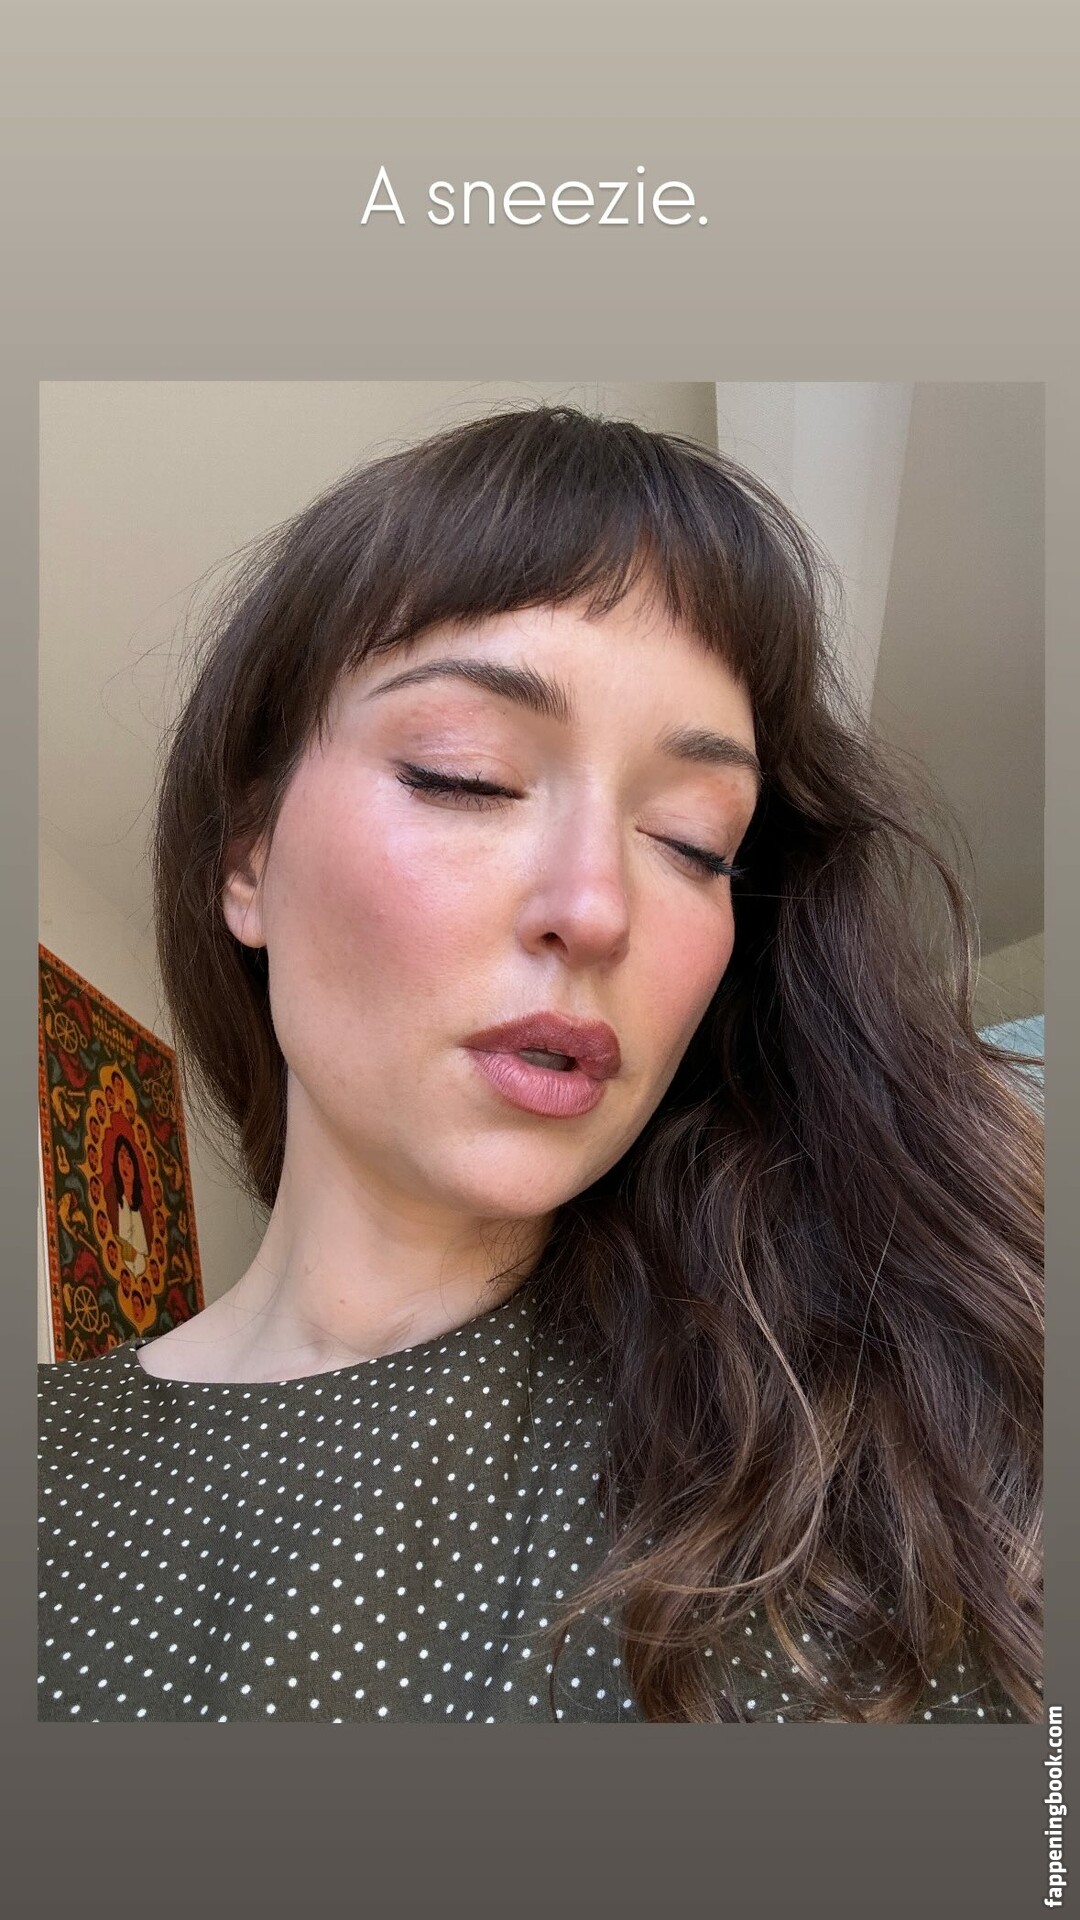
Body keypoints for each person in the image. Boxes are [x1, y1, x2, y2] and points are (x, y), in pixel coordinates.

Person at [38, 405, 1043, 1724]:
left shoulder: (882, 1442)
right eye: (466, 776)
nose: (598, 908)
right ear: (248, 863)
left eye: (693, 842)